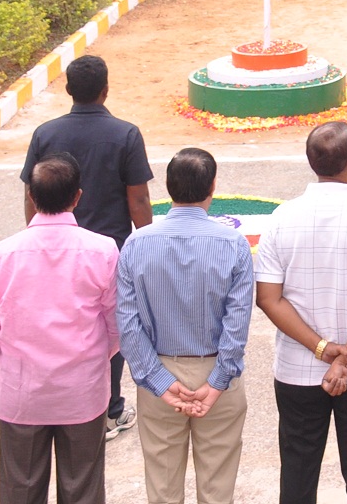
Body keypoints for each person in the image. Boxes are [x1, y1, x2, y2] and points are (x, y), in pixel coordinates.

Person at [254, 124, 347, 504]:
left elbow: (268, 299)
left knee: (298, 473)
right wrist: (346, 357)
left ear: (311, 162)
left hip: (298, 369)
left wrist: (323, 350)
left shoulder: (282, 218)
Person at [19, 55, 152, 440]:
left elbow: (30, 195)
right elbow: (138, 200)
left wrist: (36, 237)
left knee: (61, 323)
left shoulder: (45, 134)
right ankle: (109, 410)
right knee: (111, 327)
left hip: (56, 249)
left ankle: (62, 402)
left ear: (68, 90)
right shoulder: (126, 135)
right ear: (105, 90)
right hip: (111, 252)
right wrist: (146, 246)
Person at [0, 154, 121, 504]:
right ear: (77, 197)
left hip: (22, 391)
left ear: (31, 196)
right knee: (83, 488)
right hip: (82, 390)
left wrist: (11, 364)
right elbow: (116, 324)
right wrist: (94, 359)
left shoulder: (2, 254)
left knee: (20, 489)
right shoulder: (102, 251)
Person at [116, 147, 255, 504]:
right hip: (216, 370)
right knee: (217, 489)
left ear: (168, 186)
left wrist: (159, 382)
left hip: (159, 371)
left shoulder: (136, 243)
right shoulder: (233, 244)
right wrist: (218, 381)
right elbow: (237, 323)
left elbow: (128, 324)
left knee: (162, 490)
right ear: (212, 186)